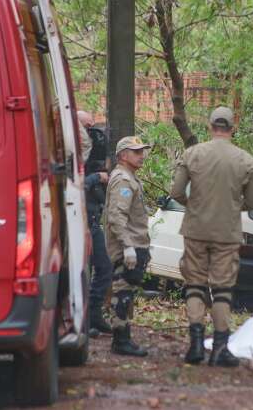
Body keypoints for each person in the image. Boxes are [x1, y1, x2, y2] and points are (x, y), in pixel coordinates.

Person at [170, 106, 253, 367]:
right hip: (227, 232)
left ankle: (196, 345)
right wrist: (232, 207)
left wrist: (194, 206)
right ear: (233, 127)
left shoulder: (193, 154)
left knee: (195, 285)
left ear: (210, 126)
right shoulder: (245, 160)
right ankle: (220, 347)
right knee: (222, 289)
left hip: (196, 229)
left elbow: (176, 191)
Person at [104, 135, 152, 357]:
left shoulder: (130, 177)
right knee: (122, 291)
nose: (141, 155)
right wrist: (127, 246)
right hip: (127, 245)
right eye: (136, 152)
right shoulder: (123, 180)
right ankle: (121, 340)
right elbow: (116, 216)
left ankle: (123, 337)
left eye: (142, 151)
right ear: (123, 155)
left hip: (134, 243)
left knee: (127, 290)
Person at [80, 111, 113, 337]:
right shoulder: (70, 152)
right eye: (87, 126)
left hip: (92, 220)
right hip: (77, 224)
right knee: (82, 272)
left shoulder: (92, 155)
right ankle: (84, 321)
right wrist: (96, 178)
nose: (92, 132)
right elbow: (71, 187)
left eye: (93, 126)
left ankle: (94, 314)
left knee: (104, 267)